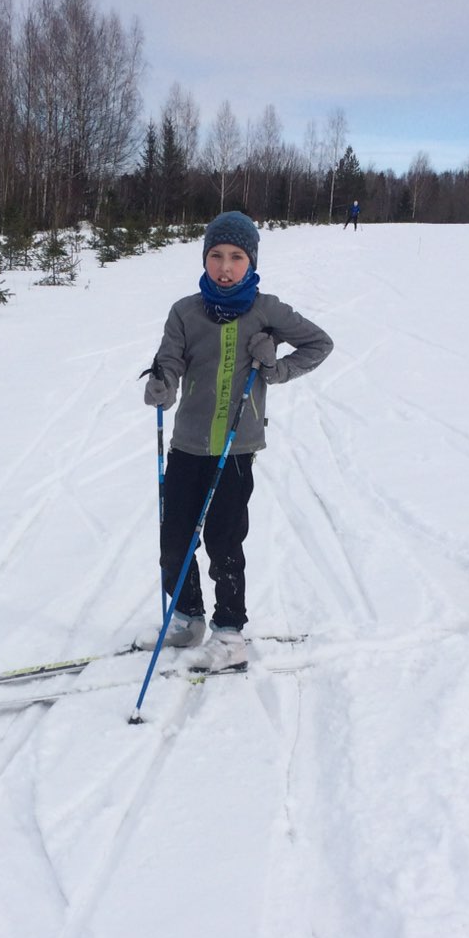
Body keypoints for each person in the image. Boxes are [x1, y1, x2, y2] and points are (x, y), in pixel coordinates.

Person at [143, 210, 333, 672]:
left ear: (251, 262)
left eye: (236, 257)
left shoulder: (266, 310)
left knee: (224, 541)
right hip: (188, 443)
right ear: (204, 258)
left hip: (236, 448)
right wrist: (163, 384)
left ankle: (230, 634)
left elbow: (319, 344)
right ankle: (187, 618)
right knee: (175, 540)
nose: (225, 267)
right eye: (216, 256)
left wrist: (275, 367)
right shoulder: (185, 311)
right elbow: (170, 360)